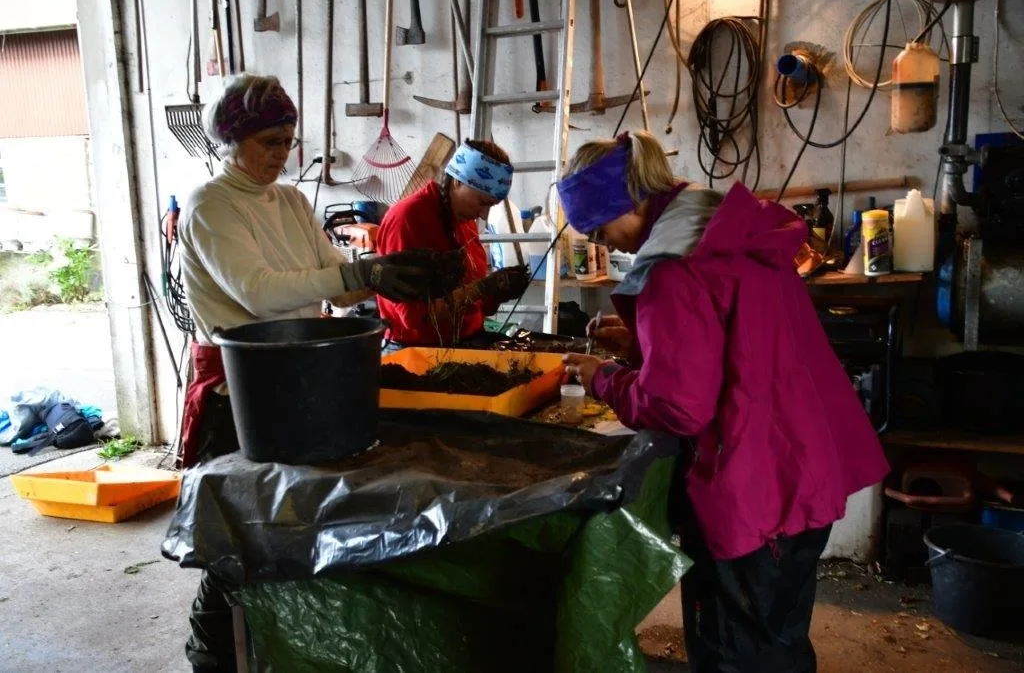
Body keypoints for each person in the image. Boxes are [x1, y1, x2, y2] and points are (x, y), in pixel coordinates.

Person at [559, 131, 889, 672]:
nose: (604, 243)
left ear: (630, 202)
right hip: (802, 461)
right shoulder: (723, 226)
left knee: (736, 650)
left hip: (753, 484)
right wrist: (645, 340)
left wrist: (605, 379)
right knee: (777, 636)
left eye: (600, 228)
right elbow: (733, 338)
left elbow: (677, 406)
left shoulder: (670, 266)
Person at [176, 74, 455, 672]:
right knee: (237, 537)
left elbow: (336, 278)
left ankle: (278, 645)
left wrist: (390, 271)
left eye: (287, 141)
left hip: (300, 376)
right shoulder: (210, 205)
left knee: (288, 525)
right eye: (268, 142)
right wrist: (358, 276)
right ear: (230, 140)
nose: (281, 153)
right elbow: (257, 293)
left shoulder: (292, 201)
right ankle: (213, 653)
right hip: (239, 386)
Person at [374, 139, 532, 347]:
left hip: (467, 340)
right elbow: (414, 318)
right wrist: (480, 289)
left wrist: (497, 293)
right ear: (458, 181)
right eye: (482, 202)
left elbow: (477, 306)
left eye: (491, 206)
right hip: (419, 349)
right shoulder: (408, 219)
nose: (483, 215)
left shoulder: (464, 219)